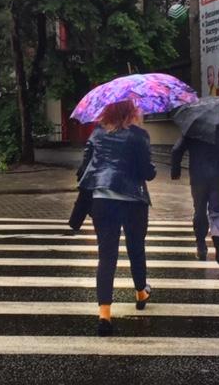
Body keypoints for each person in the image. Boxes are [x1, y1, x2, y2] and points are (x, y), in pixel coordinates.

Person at [77, 100, 156, 336]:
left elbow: (84, 168)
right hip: (133, 201)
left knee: (107, 256)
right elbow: (147, 172)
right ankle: (141, 292)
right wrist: (151, 169)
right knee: (136, 249)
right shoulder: (139, 135)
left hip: (102, 200)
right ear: (131, 112)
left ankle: (104, 315)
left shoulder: (97, 133)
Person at [170, 136, 219, 264]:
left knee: (199, 211)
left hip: (198, 178)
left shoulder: (192, 130)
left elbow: (176, 150)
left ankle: (201, 246)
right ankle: (217, 235)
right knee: (216, 212)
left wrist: (175, 171)